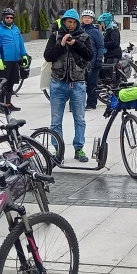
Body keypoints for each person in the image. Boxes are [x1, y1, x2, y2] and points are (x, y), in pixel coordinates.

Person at [44, 9, 95, 162]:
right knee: (56, 120)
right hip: (58, 82)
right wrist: (61, 44)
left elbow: (89, 55)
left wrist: (76, 44)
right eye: (69, 22)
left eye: (74, 22)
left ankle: (79, 149)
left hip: (78, 82)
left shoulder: (84, 37)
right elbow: (48, 56)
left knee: (79, 118)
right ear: (64, 22)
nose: (71, 25)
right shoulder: (55, 36)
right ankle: (58, 150)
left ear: (78, 23)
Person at [0, 8, 28, 111]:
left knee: (11, 83)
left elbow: (21, 43)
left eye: (11, 17)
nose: (9, 19)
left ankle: (8, 104)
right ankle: (2, 106)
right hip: (4, 60)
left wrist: (24, 54)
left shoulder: (15, 29)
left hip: (15, 60)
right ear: (3, 18)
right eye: (7, 17)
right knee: (3, 83)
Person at [81, 10, 105, 111]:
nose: (86, 19)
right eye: (85, 17)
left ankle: (91, 103)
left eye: (89, 18)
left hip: (93, 62)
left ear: (92, 19)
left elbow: (100, 46)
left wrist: (99, 59)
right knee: (79, 84)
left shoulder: (96, 32)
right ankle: (78, 104)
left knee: (91, 83)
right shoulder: (79, 30)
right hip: (81, 63)